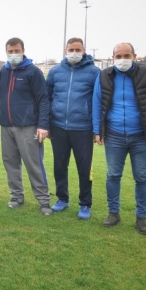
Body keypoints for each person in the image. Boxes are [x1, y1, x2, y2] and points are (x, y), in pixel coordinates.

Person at [93, 42, 146, 235]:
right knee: (113, 175)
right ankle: (113, 213)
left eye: (126, 55)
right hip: (114, 136)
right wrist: (97, 131)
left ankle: (141, 217)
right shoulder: (104, 75)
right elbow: (97, 103)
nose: (122, 59)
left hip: (141, 136)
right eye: (118, 56)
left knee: (142, 177)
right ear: (113, 57)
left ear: (134, 56)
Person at [46, 38, 100, 219]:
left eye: (78, 50)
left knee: (84, 168)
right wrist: (47, 124)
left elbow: (99, 101)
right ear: (65, 50)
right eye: (71, 49)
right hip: (58, 127)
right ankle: (62, 198)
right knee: (60, 166)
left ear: (83, 51)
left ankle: (85, 204)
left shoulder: (94, 72)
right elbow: (47, 97)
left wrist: (96, 129)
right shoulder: (55, 71)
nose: (74, 53)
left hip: (83, 128)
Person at [0, 37, 52, 215]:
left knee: (34, 164)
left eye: (17, 51)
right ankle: (16, 196)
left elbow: (43, 99)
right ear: (6, 52)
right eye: (10, 51)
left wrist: (43, 125)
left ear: (23, 51)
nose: (13, 54)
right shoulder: (3, 71)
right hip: (6, 126)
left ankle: (43, 200)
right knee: (11, 163)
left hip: (28, 126)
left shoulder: (33, 71)